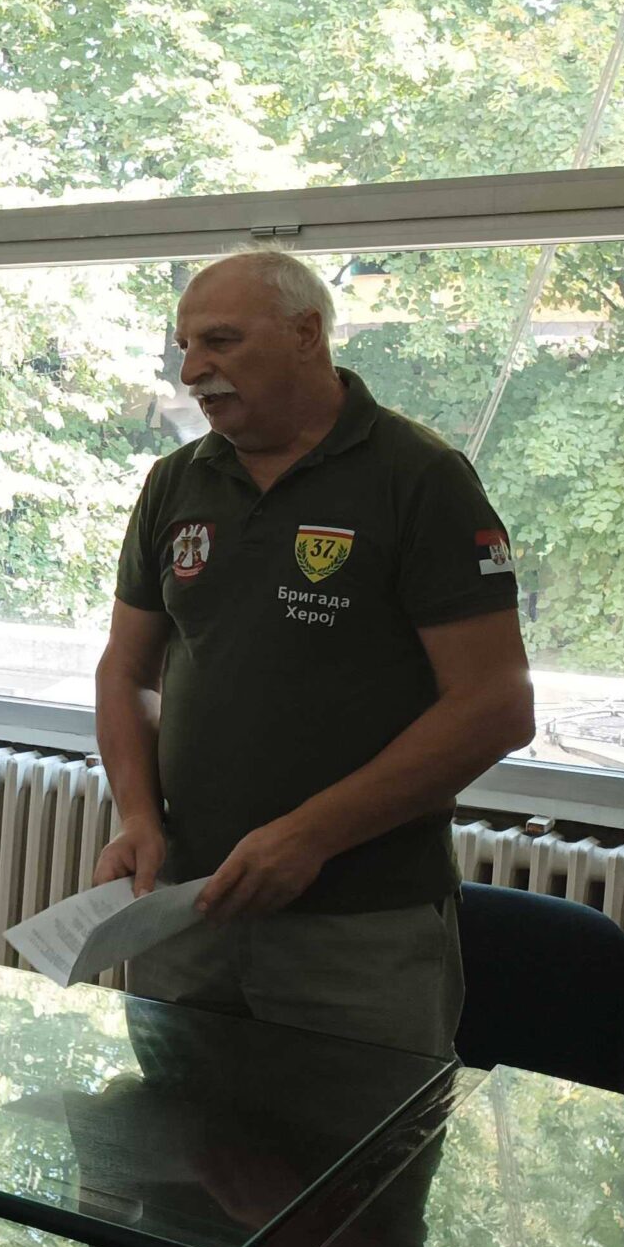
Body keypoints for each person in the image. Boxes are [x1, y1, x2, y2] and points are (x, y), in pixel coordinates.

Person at [94, 249, 536, 1058]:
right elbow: (127, 673)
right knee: (166, 1162)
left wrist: (309, 836)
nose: (194, 369)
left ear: (307, 334)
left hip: (359, 927)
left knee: (359, 1170)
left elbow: (495, 707)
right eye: (187, 344)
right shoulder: (175, 483)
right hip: (185, 908)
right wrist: (137, 813)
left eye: (221, 341)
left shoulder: (420, 477)